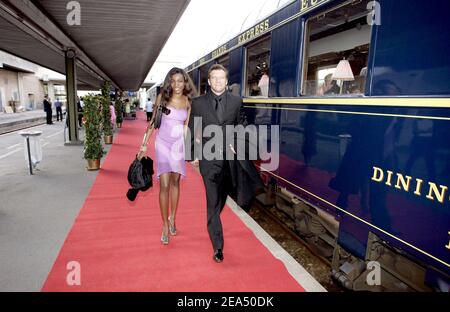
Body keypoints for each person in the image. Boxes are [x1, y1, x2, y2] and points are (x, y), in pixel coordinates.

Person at [187, 64, 262, 263]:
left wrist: (238, 144)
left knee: (221, 199)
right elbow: (192, 129)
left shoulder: (237, 102)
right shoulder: (198, 103)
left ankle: (213, 219)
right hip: (208, 160)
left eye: (222, 78)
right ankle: (218, 247)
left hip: (230, 161)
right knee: (212, 202)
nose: (218, 81)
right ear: (209, 81)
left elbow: (242, 126)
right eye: (214, 78)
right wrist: (192, 154)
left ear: (227, 81)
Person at [137, 67, 197, 245]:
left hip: (178, 146)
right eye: (173, 81)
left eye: (180, 81)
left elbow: (186, 128)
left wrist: (191, 151)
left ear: (184, 82)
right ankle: (164, 224)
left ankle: (173, 218)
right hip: (163, 144)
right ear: (169, 82)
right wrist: (143, 144)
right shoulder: (162, 98)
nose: (177, 84)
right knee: (164, 184)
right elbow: (153, 123)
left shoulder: (188, 101)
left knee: (176, 182)